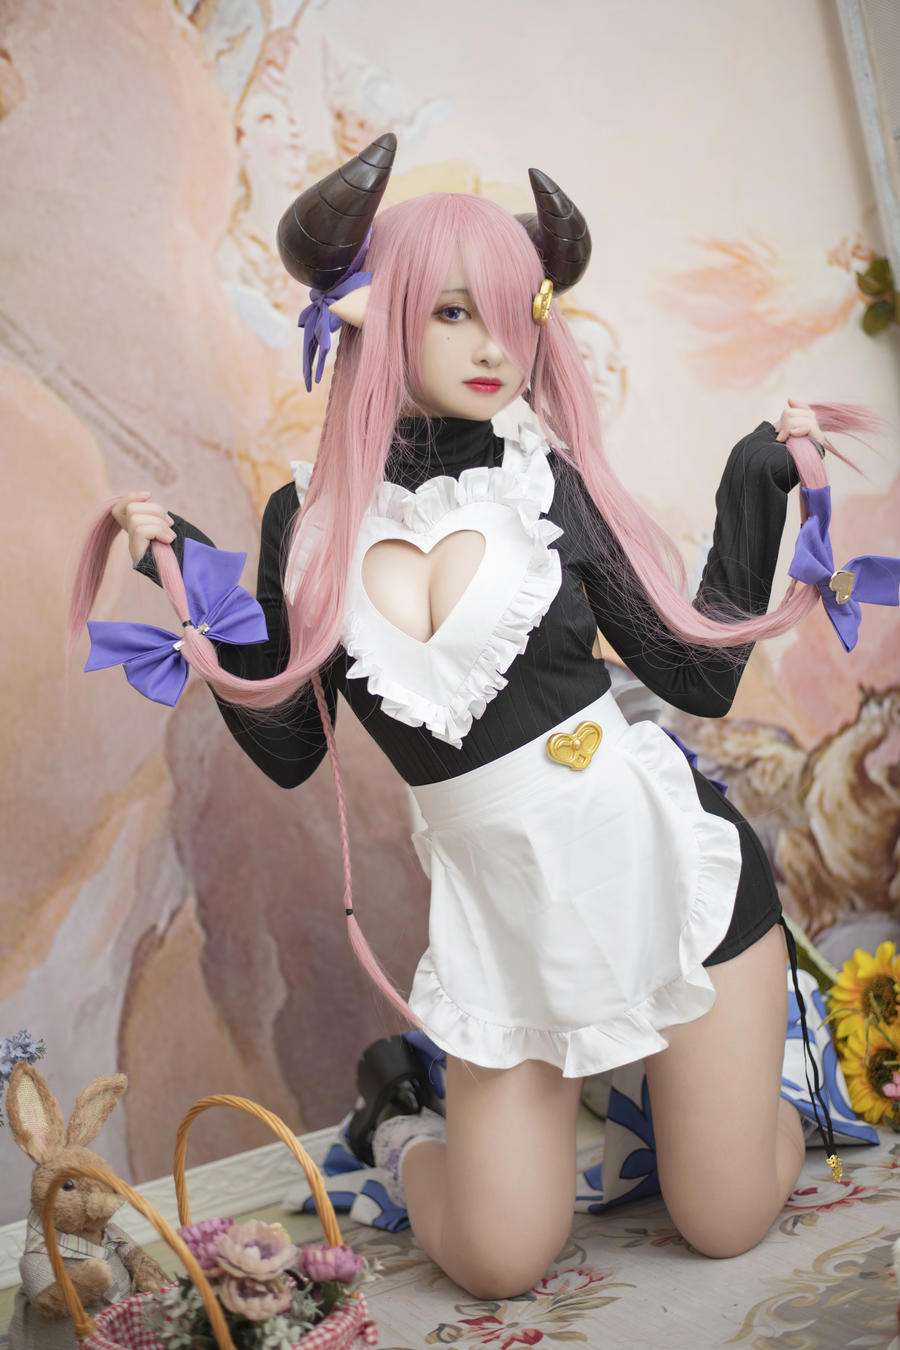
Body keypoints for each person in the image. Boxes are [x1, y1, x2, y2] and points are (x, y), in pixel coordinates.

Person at [71, 134, 885, 1300]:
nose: (496, 346)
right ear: (375, 313)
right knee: (501, 1261)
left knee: (725, 1218)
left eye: (515, 313)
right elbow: (291, 748)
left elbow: (695, 678)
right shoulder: (309, 523)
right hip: (503, 928)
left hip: (665, 877)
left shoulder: (548, 480)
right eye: (455, 312)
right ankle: (403, 1117)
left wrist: (755, 479)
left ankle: (765, 1102)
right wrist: (190, 584)